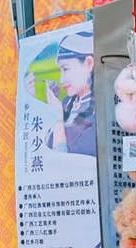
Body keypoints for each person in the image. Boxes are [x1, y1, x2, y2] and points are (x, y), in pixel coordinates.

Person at [45, 28, 96, 156]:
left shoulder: (99, 110)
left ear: (89, 63)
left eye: (66, 69)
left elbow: (65, 163)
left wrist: (58, 120)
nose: (62, 79)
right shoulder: (66, 103)